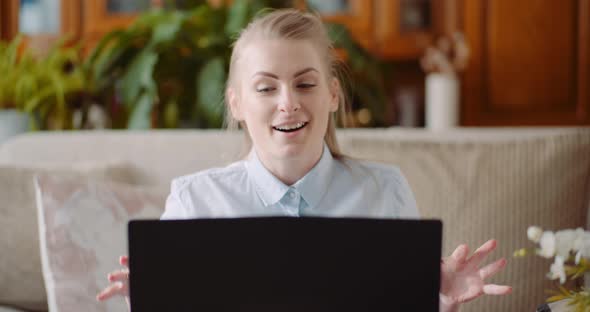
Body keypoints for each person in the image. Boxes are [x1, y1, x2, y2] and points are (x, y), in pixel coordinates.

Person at [96, 9, 511, 312]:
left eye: (305, 83)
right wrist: (152, 301)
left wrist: (441, 300)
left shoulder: (385, 191)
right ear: (237, 103)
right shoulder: (194, 201)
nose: (288, 103)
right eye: (266, 88)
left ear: (332, 94)